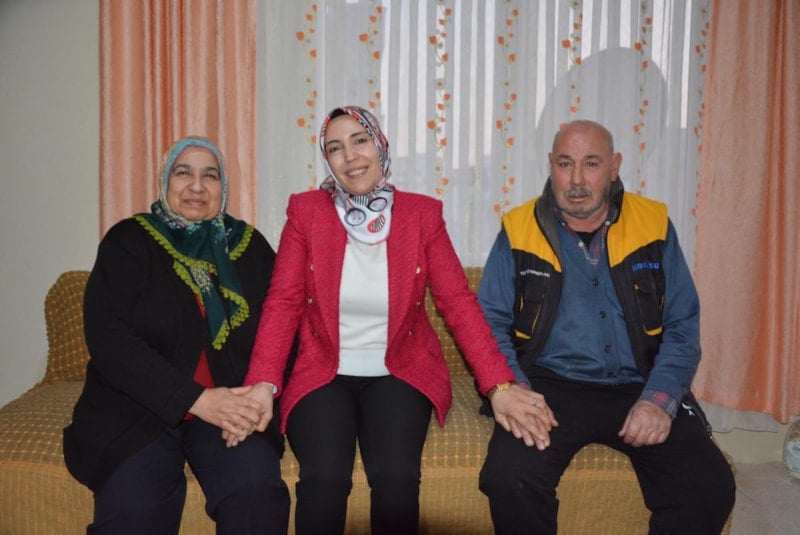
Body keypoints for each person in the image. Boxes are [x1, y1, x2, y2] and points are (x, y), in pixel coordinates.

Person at [231, 106, 545, 535]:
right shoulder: (306, 212)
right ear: (328, 160)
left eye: (359, 140)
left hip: (400, 369)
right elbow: (282, 302)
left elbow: (457, 302)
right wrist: (262, 382)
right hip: (323, 370)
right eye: (335, 148)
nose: (350, 156)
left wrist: (499, 386)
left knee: (396, 478)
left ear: (380, 146)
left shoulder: (421, 215)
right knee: (324, 478)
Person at [477, 119, 736, 534]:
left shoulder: (652, 224)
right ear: (551, 165)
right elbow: (489, 323)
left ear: (614, 166)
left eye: (592, 163)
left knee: (710, 487)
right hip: (550, 386)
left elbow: (683, 324)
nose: (577, 180)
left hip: (640, 382)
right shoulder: (518, 228)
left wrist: (660, 400)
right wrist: (515, 391)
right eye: (565, 164)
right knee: (509, 479)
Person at [63, 136, 290, 534]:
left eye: (210, 175)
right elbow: (109, 339)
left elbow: (282, 324)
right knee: (135, 512)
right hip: (136, 407)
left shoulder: (249, 246)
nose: (197, 186)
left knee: (256, 494)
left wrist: (259, 392)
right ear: (165, 181)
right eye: (183, 173)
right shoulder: (129, 241)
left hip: (230, 410)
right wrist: (197, 400)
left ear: (224, 188)